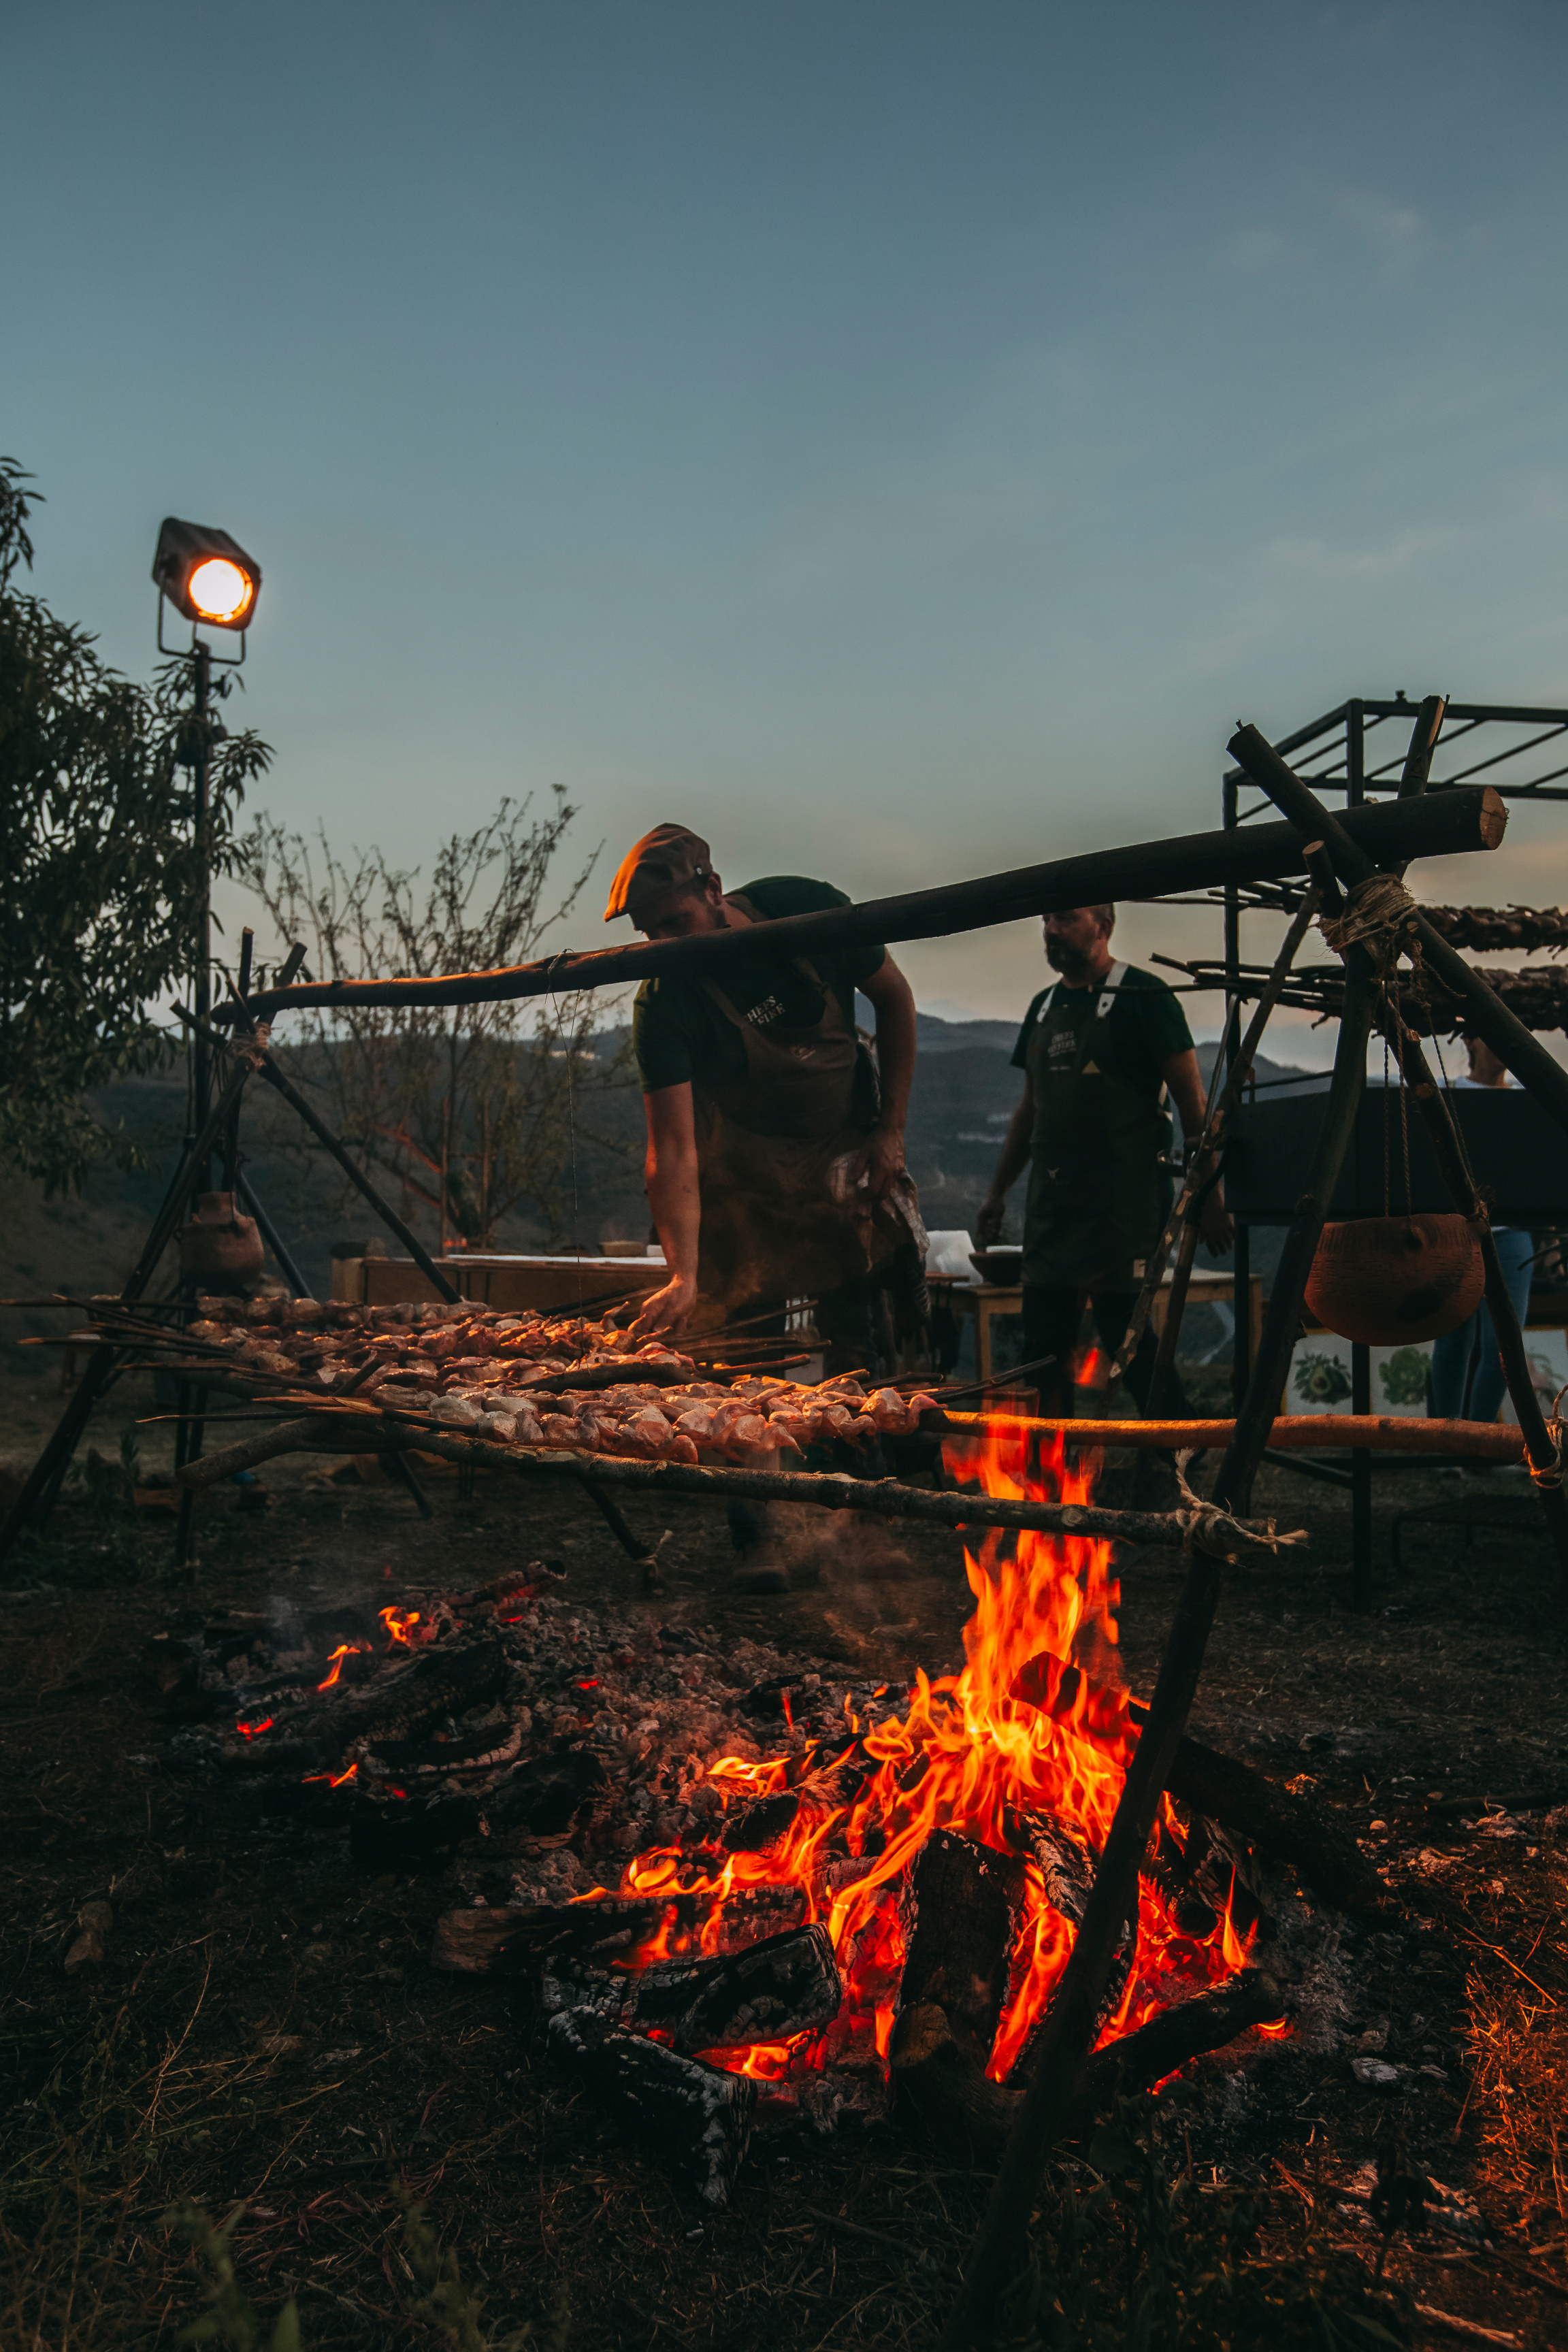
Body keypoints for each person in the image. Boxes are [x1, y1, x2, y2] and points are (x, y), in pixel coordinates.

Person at [604, 823, 923, 1373]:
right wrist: (684, 1274)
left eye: (676, 924)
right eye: (650, 933)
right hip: (744, 1181)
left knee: (856, 1349)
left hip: (840, 1152)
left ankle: (866, 1456)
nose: (665, 948)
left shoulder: (805, 909)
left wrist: (890, 1131)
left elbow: (895, 1000)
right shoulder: (663, 1003)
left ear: (714, 891)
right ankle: (759, 1455)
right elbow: (674, 1149)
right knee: (749, 1363)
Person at [977, 902, 1232, 1421]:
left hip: (1124, 1208)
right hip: (1052, 1210)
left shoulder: (1144, 996)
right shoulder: (1043, 1007)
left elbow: (1193, 1105)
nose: (1051, 929)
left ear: (1105, 925)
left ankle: (1176, 1451)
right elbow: (1030, 1112)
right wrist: (997, 1192)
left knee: (1130, 1342)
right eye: (1045, 919)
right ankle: (1050, 1475)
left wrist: (1208, 1195)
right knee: (1043, 1351)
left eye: (1067, 918)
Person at [1429, 1034, 1536, 1427]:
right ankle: (1446, 1446)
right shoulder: (1445, 1092)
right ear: (1473, 1043)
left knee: (1505, 1347)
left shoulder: (1524, 1098)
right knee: (1454, 1339)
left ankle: (1478, 1447)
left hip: (1512, 1233)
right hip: (1456, 1233)